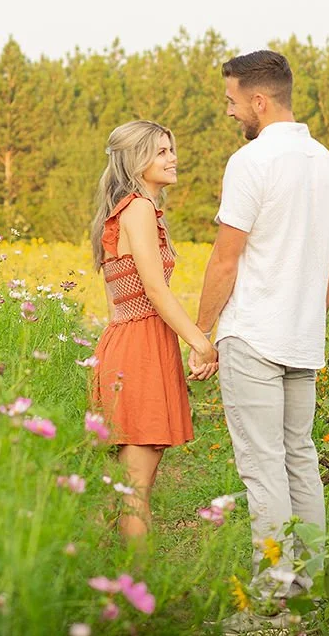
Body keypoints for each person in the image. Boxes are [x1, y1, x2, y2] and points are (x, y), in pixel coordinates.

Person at [196, 50, 329, 627]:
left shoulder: (251, 162)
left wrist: (203, 335)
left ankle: (274, 604)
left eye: (232, 101)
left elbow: (225, 261)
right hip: (303, 337)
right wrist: (308, 320)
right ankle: (308, 593)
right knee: (300, 462)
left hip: (254, 334)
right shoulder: (328, 165)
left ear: (259, 101)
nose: (230, 112)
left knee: (263, 470)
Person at [90, 119, 219, 541]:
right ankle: (138, 597)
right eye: (162, 151)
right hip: (140, 350)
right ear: (136, 159)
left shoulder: (124, 211)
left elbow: (119, 301)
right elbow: (155, 291)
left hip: (127, 344)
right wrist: (201, 342)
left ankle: (95, 577)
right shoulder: (139, 209)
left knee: (122, 488)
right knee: (134, 491)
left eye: (171, 149)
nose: (173, 158)